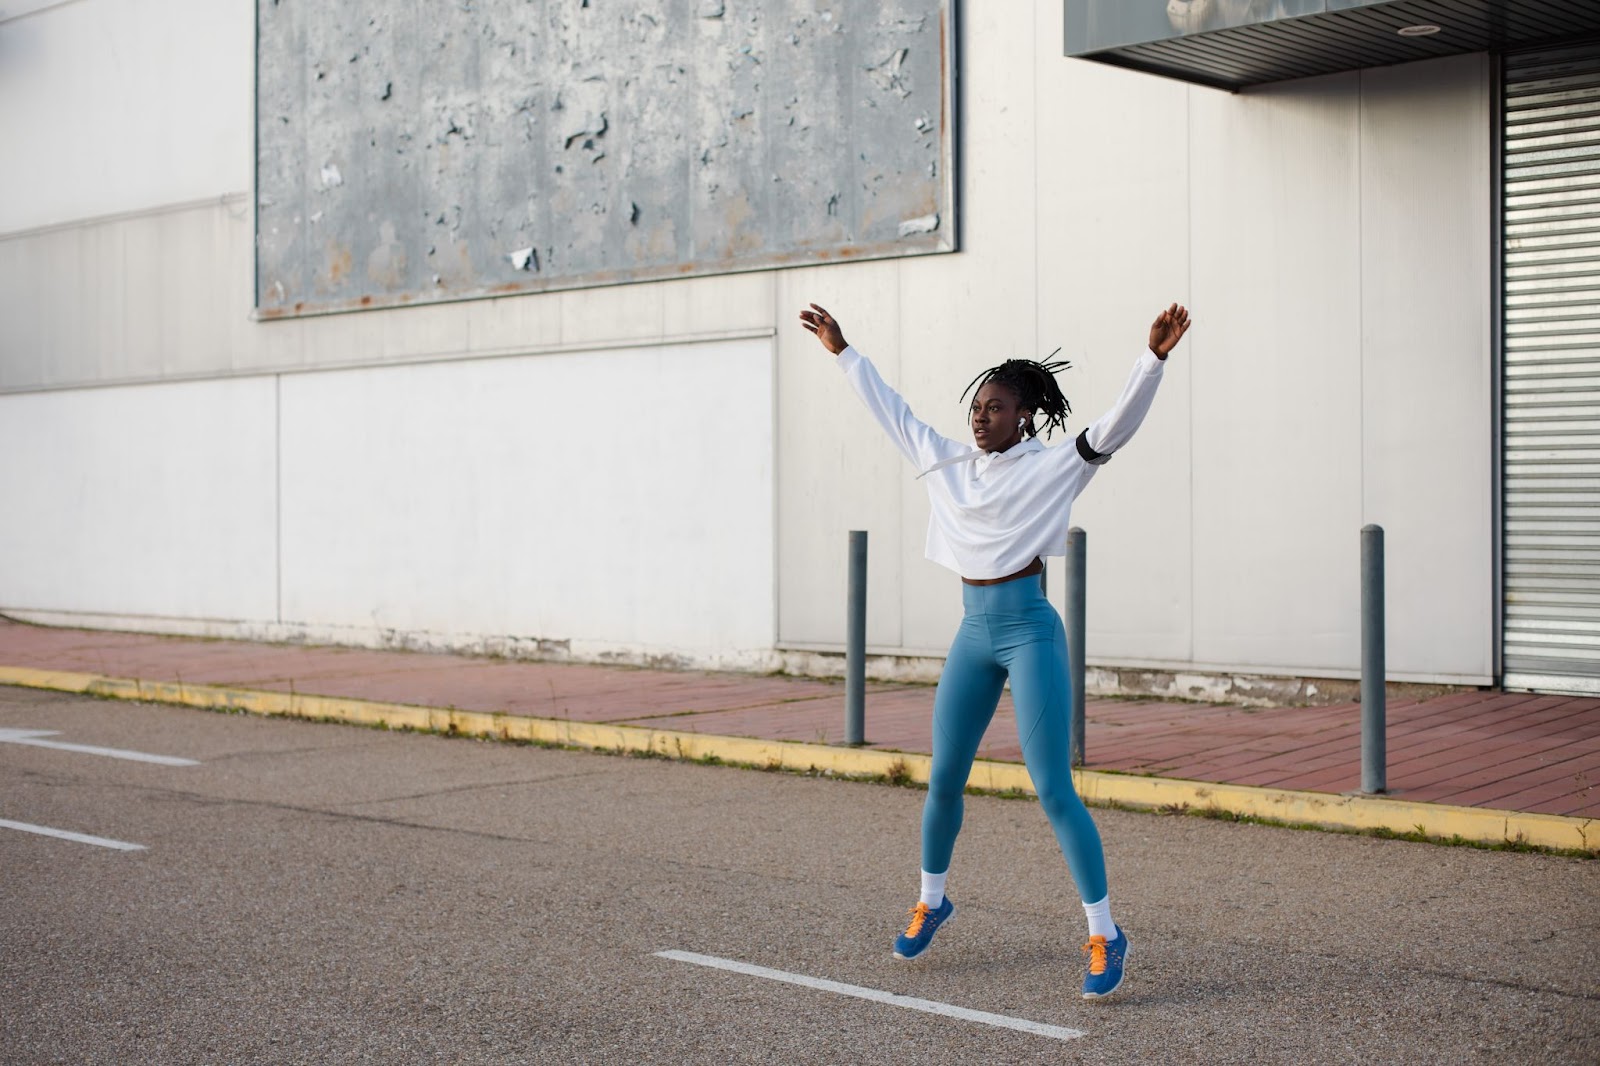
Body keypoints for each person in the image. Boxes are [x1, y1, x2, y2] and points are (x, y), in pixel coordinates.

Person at [798, 301, 1191, 1000]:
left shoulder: (1055, 466)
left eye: (997, 407)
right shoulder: (945, 461)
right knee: (944, 777)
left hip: (1028, 631)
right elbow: (891, 411)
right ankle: (932, 899)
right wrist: (842, 350)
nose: (980, 417)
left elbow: (1115, 428)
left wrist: (1151, 360)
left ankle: (1105, 932)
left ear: (1026, 417)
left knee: (1052, 789)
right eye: (977, 406)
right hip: (972, 633)